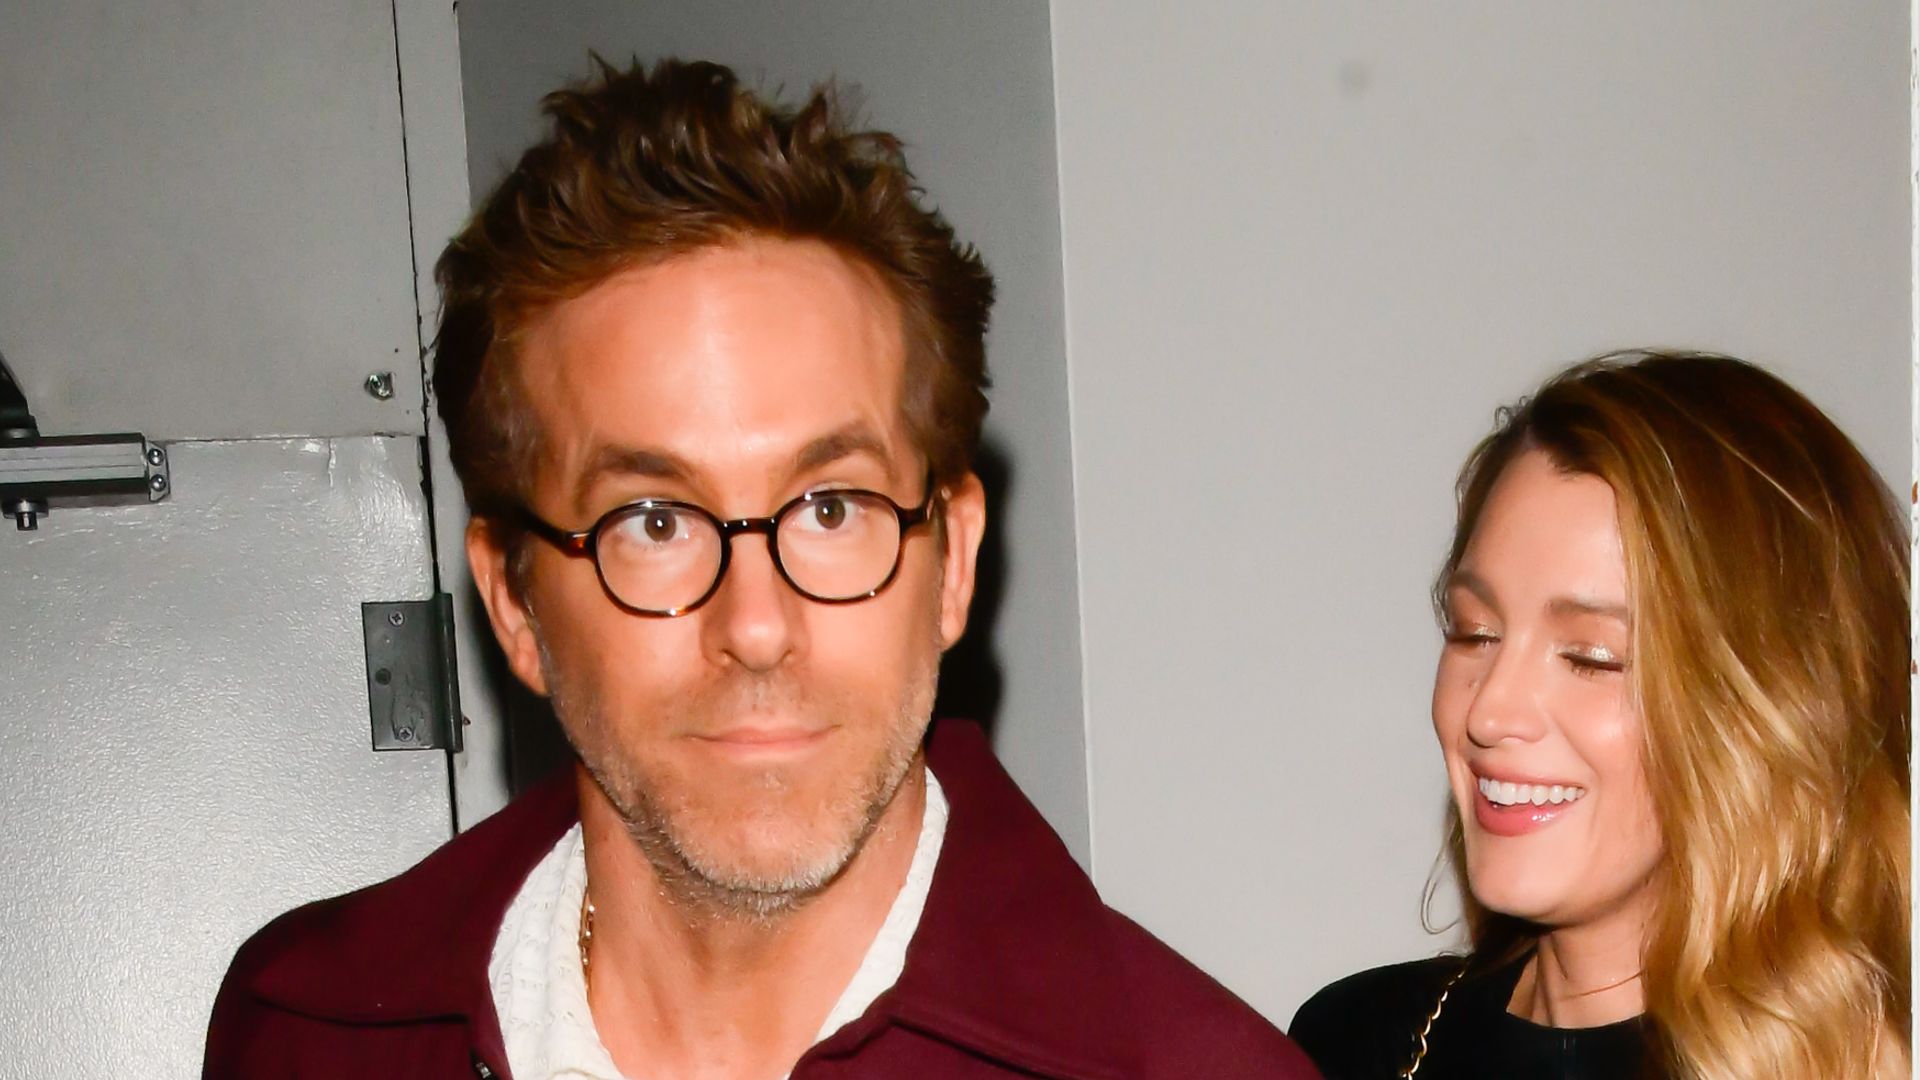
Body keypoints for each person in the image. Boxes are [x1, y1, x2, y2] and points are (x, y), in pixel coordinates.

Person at [202, 58, 1314, 1079]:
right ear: (515, 603)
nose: (757, 625)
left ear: (954, 563)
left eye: (831, 507)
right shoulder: (307, 1033)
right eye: (654, 521)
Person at [1290, 351, 1910, 1079]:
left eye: (1591, 656)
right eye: (1474, 633)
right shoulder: (1353, 1042)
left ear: (1770, 706)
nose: (1489, 710)